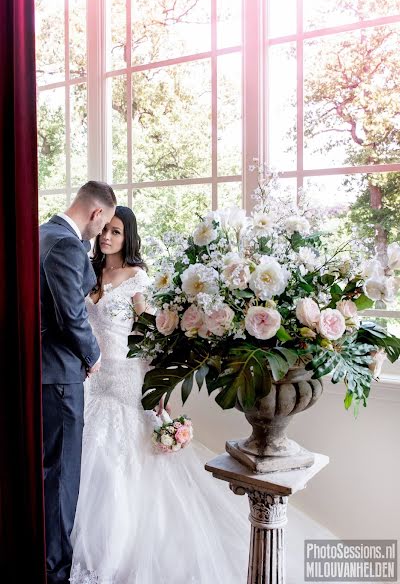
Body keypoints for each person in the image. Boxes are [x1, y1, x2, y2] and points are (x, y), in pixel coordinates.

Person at [70, 206, 335, 584]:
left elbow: (148, 338)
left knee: (119, 462)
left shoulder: (137, 278)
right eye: (105, 231)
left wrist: (156, 385)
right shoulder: (91, 271)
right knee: (88, 454)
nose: (107, 237)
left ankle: (116, 553)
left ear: (128, 237)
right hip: (93, 380)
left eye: (116, 231)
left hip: (127, 378)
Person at [40, 181, 117, 584]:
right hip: (59, 376)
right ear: (95, 213)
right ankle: (54, 574)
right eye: (102, 223)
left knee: (45, 474)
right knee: (61, 478)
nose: (101, 234)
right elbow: (70, 314)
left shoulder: (39, 234)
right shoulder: (67, 245)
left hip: (37, 373)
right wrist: (93, 354)